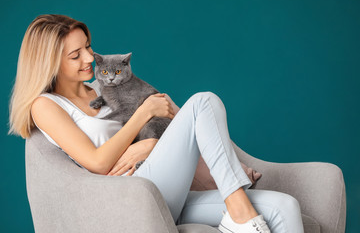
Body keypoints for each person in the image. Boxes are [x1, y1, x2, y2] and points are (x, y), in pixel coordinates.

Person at [8, 14, 304, 233]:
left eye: (88, 47)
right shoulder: (45, 106)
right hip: (129, 197)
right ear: (49, 62)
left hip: (160, 187)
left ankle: (238, 211)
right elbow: (97, 163)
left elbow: (163, 128)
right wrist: (144, 124)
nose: (89, 58)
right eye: (76, 55)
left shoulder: (101, 89)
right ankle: (239, 212)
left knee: (284, 207)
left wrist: (152, 141)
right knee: (203, 100)